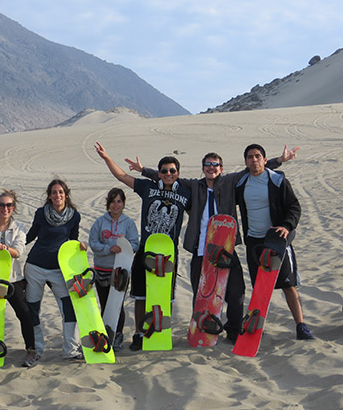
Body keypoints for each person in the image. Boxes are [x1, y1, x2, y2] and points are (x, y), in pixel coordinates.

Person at [129, 145, 299, 343]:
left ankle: (233, 330)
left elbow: (254, 167)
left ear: (221, 168)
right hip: (200, 247)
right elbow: (169, 177)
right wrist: (143, 171)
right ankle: (201, 329)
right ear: (203, 168)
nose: (212, 167)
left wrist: (279, 160)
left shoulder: (230, 182)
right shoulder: (194, 186)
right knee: (200, 294)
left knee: (236, 293)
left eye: (215, 165)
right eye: (208, 164)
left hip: (226, 248)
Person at [94, 142, 192, 351]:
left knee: (164, 295)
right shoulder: (148, 188)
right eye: (164, 171)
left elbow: (197, 213)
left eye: (172, 171)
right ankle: (139, 333)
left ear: (178, 173)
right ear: (159, 173)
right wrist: (107, 158)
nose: (168, 174)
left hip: (168, 253)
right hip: (145, 250)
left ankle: (159, 332)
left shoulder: (186, 193)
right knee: (140, 295)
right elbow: (122, 176)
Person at [235, 144, 315, 340]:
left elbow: (294, 207)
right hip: (254, 242)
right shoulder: (240, 184)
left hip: (277, 241)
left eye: (258, 156)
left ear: (264, 159)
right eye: (250, 157)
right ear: (245, 162)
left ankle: (301, 326)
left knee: (288, 284)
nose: (254, 160)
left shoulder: (277, 180)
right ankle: (256, 329)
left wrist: (287, 226)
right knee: (260, 288)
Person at [24, 179, 85, 361]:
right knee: (33, 308)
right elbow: (31, 235)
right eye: (54, 192)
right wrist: (13, 247)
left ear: (66, 194)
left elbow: (72, 240)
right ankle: (37, 349)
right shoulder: (41, 213)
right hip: (35, 266)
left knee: (69, 308)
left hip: (59, 269)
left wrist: (79, 247)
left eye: (60, 192)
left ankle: (71, 350)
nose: (57, 195)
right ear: (49, 196)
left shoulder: (74, 216)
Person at [0, 190, 37, 367]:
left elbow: (18, 251)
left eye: (9, 205)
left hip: (13, 278)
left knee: (24, 313)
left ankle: (31, 350)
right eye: (2, 205)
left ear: (13, 207)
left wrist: (4, 248)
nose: (5, 208)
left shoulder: (19, 228)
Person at [88, 188, 139, 350]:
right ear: (108, 203)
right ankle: (105, 335)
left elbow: (135, 244)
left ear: (123, 203)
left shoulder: (128, 223)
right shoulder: (100, 222)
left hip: (120, 271)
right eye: (112, 201)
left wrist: (124, 247)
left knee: (117, 305)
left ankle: (117, 335)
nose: (115, 205)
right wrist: (108, 248)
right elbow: (93, 243)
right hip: (102, 269)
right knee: (105, 304)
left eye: (119, 201)